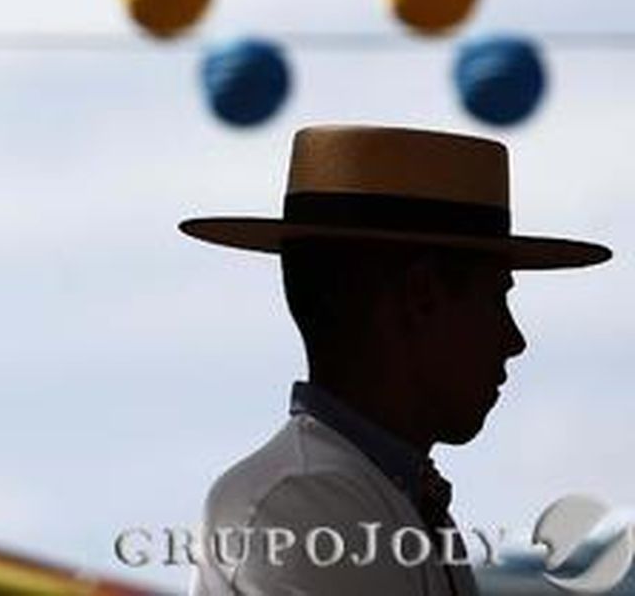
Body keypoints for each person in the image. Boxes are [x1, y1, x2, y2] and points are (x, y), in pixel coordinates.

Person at [181, 125, 612, 595]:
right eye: (494, 300)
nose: (513, 339)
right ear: (421, 295)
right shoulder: (308, 502)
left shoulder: (375, 497)